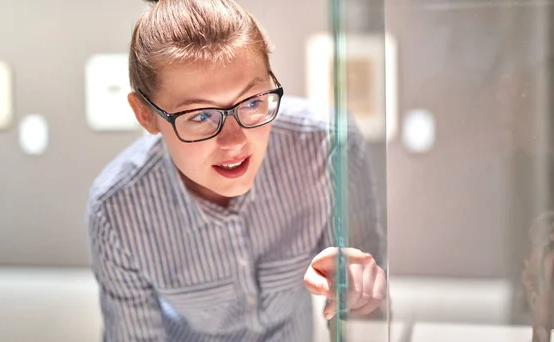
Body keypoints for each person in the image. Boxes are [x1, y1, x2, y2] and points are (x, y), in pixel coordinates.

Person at [86, 0, 386, 340]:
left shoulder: (329, 146)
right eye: (199, 115)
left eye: (253, 102)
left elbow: (364, 315)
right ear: (145, 114)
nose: (234, 141)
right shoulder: (117, 208)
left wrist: (360, 295)